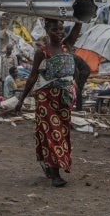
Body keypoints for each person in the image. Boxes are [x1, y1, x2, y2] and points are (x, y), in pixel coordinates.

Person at [15, 18, 81, 187]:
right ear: (47, 30)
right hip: (46, 97)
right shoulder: (42, 52)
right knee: (52, 132)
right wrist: (21, 101)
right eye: (55, 30)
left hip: (63, 98)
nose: (59, 33)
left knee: (62, 132)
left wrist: (80, 16)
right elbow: (32, 77)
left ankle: (49, 165)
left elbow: (76, 29)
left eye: (61, 30)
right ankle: (55, 176)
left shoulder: (66, 46)